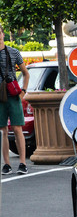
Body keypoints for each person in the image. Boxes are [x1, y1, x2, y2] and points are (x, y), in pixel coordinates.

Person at [0, 25, 30, 175]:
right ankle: (6, 164)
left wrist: (23, 91)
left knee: (17, 128)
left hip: (13, 95)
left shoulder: (13, 52)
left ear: (3, 34)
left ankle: (23, 163)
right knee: (2, 130)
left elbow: (26, 73)